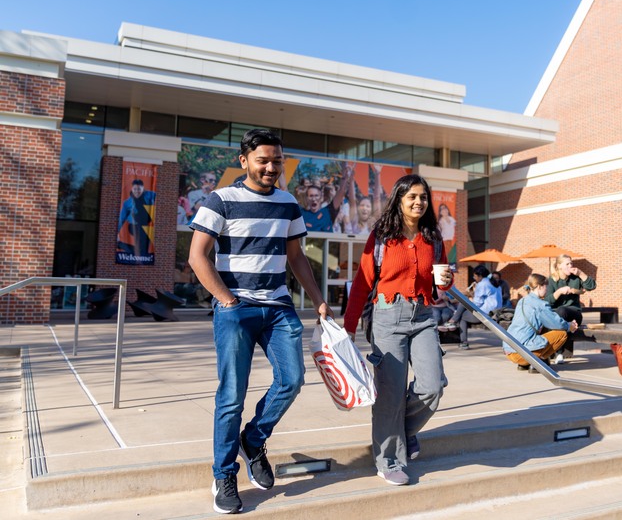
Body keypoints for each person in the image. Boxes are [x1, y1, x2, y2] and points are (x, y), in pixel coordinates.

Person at [188, 128, 332, 514]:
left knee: (293, 378)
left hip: (279, 308)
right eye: (263, 160)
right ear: (244, 161)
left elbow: (296, 257)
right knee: (231, 396)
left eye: (277, 161)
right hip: (236, 310)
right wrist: (228, 301)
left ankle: (254, 439)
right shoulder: (221, 200)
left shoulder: (287, 203)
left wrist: (318, 300)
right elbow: (197, 256)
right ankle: (224, 474)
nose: (270, 167)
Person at [343, 173, 452, 488]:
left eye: (423, 197)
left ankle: (401, 432)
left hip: (424, 314)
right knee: (390, 395)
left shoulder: (432, 236)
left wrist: (445, 281)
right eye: (412, 197)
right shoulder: (381, 236)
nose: (419, 202)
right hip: (388, 316)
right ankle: (389, 461)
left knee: (433, 385)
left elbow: (441, 278)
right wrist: (348, 327)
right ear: (400, 199)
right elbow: (363, 282)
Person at [503, 274, 577, 372]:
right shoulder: (540, 304)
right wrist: (569, 326)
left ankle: (524, 364)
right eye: (546, 287)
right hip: (521, 353)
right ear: (539, 286)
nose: (547, 290)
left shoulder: (522, 300)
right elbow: (556, 323)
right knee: (562, 334)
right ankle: (537, 362)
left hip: (509, 349)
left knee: (542, 328)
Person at [440, 265, 502, 350]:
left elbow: (477, 304)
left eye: (475, 276)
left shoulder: (482, 284)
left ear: (480, 276)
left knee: (463, 310)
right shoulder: (493, 283)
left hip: (486, 313)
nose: (474, 278)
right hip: (496, 311)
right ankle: (453, 321)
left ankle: (462, 338)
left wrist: (469, 298)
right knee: (464, 306)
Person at [545, 254, 596, 325]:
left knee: (562, 310)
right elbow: (546, 302)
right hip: (556, 315)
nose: (570, 266)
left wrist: (581, 274)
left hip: (574, 313)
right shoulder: (551, 280)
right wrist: (559, 292)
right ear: (559, 266)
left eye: (571, 263)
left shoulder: (576, 277)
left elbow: (591, 286)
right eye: (567, 264)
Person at [301, 165, 352, 232]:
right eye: (311, 196)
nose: (314, 199)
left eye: (316, 196)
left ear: (321, 197)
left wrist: (344, 179)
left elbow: (340, 194)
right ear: (307, 198)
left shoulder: (328, 212)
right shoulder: (302, 214)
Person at [117, 179, 156, 257]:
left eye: (139, 189)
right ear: (132, 189)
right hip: (134, 226)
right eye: (135, 189)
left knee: (143, 251)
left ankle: (121, 245)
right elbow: (121, 219)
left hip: (145, 224)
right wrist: (116, 233)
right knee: (143, 248)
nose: (137, 191)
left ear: (143, 189)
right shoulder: (127, 203)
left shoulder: (149, 195)